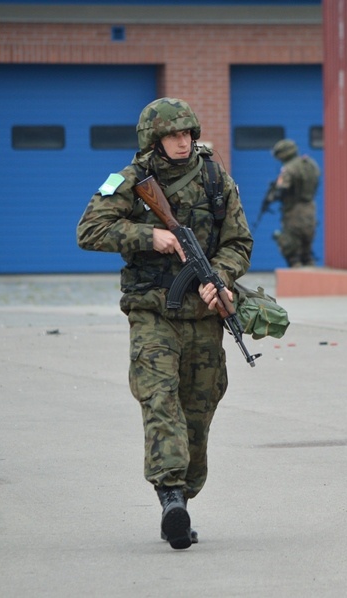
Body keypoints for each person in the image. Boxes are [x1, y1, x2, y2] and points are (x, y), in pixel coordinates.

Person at [76, 97, 253, 550]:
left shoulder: (216, 178)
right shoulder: (128, 180)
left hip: (204, 317)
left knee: (200, 409)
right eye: (173, 135)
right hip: (152, 313)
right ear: (154, 139)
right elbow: (88, 231)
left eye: (188, 133)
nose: (183, 141)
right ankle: (170, 494)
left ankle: (183, 497)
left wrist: (223, 281)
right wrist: (147, 235)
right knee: (160, 399)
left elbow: (239, 242)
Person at [265, 138, 320, 267]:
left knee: (291, 248)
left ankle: (296, 274)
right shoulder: (310, 164)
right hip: (310, 208)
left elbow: (282, 190)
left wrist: (271, 197)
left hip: (293, 211)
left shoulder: (289, 169)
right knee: (307, 247)